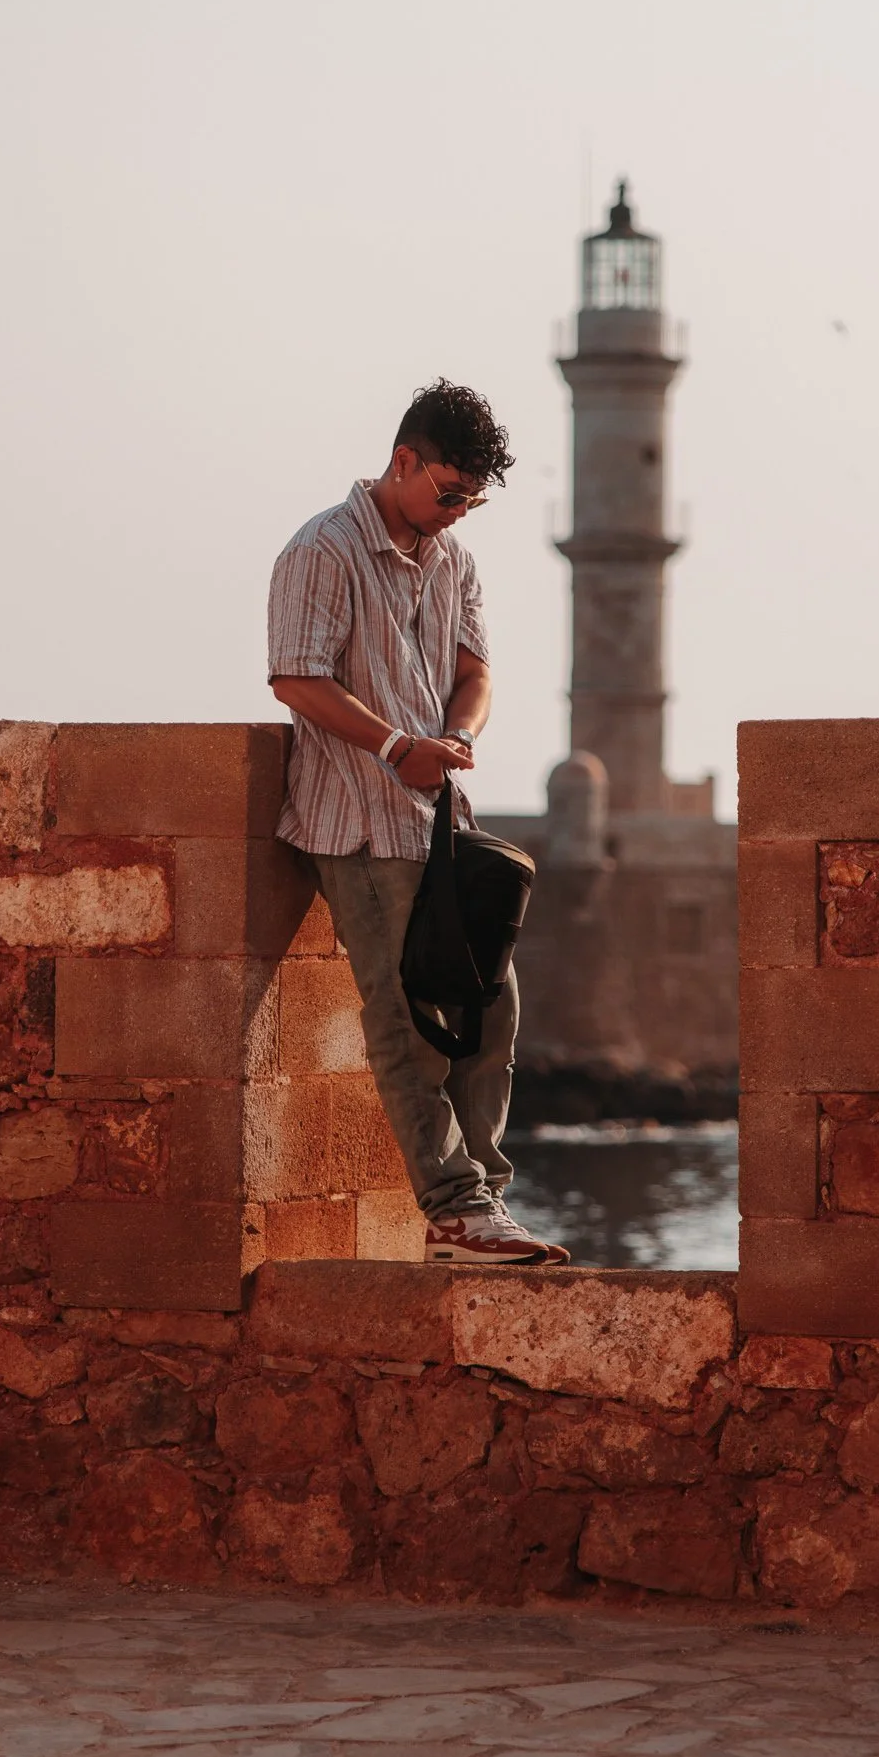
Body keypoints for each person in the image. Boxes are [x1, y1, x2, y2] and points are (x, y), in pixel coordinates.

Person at [268, 379, 566, 1267]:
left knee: (492, 1011)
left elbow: (476, 673)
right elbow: (294, 677)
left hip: (440, 822)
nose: (457, 513)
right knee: (405, 1021)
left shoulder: (452, 559)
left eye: (471, 501)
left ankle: (485, 1203)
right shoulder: (321, 548)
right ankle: (453, 1210)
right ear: (404, 461)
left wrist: (457, 736)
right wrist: (396, 744)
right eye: (448, 493)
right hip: (357, 823)